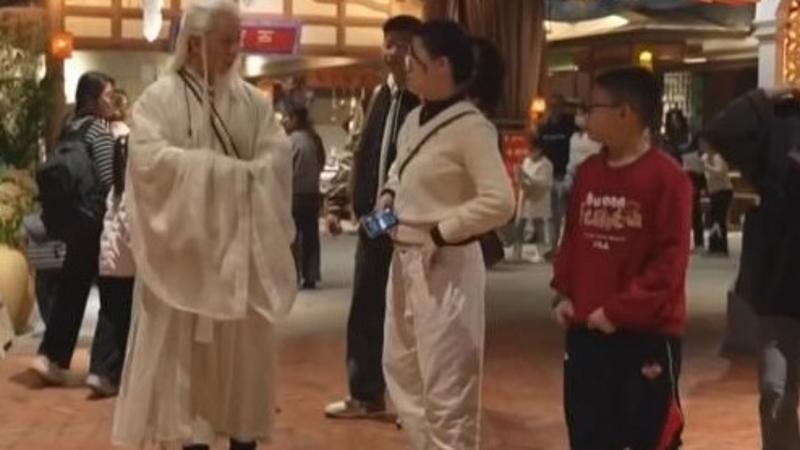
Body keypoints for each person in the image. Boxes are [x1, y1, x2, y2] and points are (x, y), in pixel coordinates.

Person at [111, 1, 297, 449]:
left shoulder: (252, 103)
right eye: (226, 41)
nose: (235, 50)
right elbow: (149, 161)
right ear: (194, 44)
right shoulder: (158, 101)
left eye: (238, 40)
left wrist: (235, 175)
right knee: (185, 381)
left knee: (243, 374)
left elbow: (275, 158)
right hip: (182, 263)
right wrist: (230, 174)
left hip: (239, 266)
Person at [378, 20, 515, 449]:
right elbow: (401, 168)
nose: (406, 66)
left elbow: (500, 201)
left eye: (415, 59)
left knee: (448, 385)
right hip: (404, 260)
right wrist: (389, 193)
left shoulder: (473, 128)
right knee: (403, 373)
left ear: (441, 66)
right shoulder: (413, 118)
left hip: (446, 264)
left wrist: (441, 232)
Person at [551, 66, 692, 450]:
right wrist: (564, 292)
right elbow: (573, 240)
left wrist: (618, 311)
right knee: (589, 435)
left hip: (644, 335)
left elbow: (669, 264)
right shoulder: (588, 173)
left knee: (650, 436)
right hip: (586, 332)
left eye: (592, 107)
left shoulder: (668, 178)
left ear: (625, 113)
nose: (584, 116)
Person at [324, 14, 422, 419]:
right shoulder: (379, 95)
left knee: (409, 314)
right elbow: (356, 151)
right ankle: (365, 394)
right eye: (389, 44)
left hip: (411, 227)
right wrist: (336, 204)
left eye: (403, 45)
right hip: (373, 223)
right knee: (366, 306)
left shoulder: (424, 101)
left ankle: (412, 403)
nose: (393, 53)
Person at [703, 87, 800, 450]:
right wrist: (763, 97)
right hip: (781, 284)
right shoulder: (784, 121)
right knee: (776, 392)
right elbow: (722, 130)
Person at [31, 71, 118, 387]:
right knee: (113, 291)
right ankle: (103, 370)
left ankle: (50, 357)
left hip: (73, 221)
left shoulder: (69, 128)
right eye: (108, 96)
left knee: (72, 288)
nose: (112, 102)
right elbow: (109, 180)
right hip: (96, 219)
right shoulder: (99, 130)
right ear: (93, 100)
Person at [284, 106, 326, 289]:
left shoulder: (289, 142)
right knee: (311, 237)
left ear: (295, 119)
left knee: (291, 236)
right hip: (312, 193)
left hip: (294, 194)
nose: (285, 122)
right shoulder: (314, 139)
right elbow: (322, 163)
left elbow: (284, 168)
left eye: (288, 117)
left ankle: (292, 274)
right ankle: (311, 274)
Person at [537, 94, 576, 252]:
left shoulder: (569, 124)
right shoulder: (544, 127)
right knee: (552, 214)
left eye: (557, 106)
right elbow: (539, 148)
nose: (554, 109)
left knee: (567, 211)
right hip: (548, 175)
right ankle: (554, 246)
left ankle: (568, 245)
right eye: (551, 106)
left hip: (564, 174)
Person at [664, 109, 706, 251]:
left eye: (677, 120)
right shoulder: (667, 140)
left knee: (694, 209)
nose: (675, 123)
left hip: (691, 175)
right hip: (674, 176)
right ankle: (679, 241)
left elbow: (698, 153)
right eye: (672, 121)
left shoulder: (689, 137)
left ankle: (699, 240)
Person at [513, 135, 553, 263]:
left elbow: (543, 183)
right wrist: (519, 177)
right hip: (526, 196)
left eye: (532, 150)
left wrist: (528, 178)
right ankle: (517, 252)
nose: (529, 153)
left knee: (538, 224)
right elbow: (522, 179)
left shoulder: (546, 164)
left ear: (539, 150)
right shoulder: (527, 161)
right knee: (519, 225)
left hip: (538, 197)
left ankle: (540, 252)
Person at [701, 138, 733, 256]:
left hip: (723, 191)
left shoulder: (718, 157)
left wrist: (707, 166)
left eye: (704, 144)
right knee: (713, 219)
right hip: (714, 191)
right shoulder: (705, 157)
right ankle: (713, 246)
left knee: (719, 219)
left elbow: (721, 171)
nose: (702, 146)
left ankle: (722, 248)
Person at [565, 104, 602, 192]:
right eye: (577, 114)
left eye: (580, 114)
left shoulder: (596, 137)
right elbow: (571, 160)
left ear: (588, 116)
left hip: (591, 179)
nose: (578, 117)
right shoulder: (574, 137)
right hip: (574, 179)